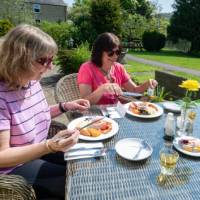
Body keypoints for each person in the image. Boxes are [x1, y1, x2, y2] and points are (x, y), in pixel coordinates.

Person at [0, 24, 90, 200]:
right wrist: (49, 146)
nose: (49, 67)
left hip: (40, 151)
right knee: (79, 182)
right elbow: (2, 156)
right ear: (19, 58)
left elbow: (34, 115)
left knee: (85, 162)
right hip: (13, 169)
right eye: (43, 60)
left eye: (51, 60)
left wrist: (66, 106)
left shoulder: (31, 81)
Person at [77, 32, 158, 105]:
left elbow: (133, 90)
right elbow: (84, 102)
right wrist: (102, 89)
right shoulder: (87, 68)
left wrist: (147, 84)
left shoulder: (118, 68)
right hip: (95, 115)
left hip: (116, 113)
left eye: (118, 52)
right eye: (111, 53)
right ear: (99, 52)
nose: (115, 56)